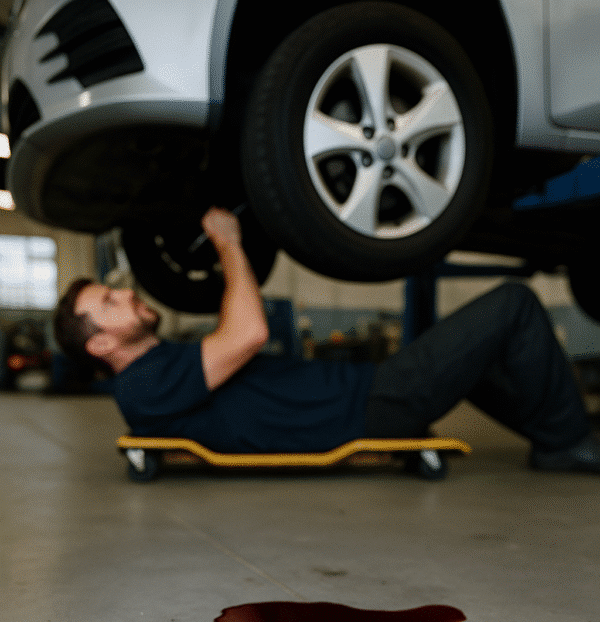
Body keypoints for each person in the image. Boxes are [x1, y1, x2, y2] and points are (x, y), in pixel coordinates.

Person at [54, 207, 600, 473]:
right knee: (513, 303)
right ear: (101, 346)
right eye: (108, 304)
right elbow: (249, 332)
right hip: (368, 406)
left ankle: (555, 429)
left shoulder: (164, 366)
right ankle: (566, 441)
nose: (124, 296)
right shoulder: (143, 385)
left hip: (367, 394)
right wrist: (227, 244)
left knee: (476, 355)